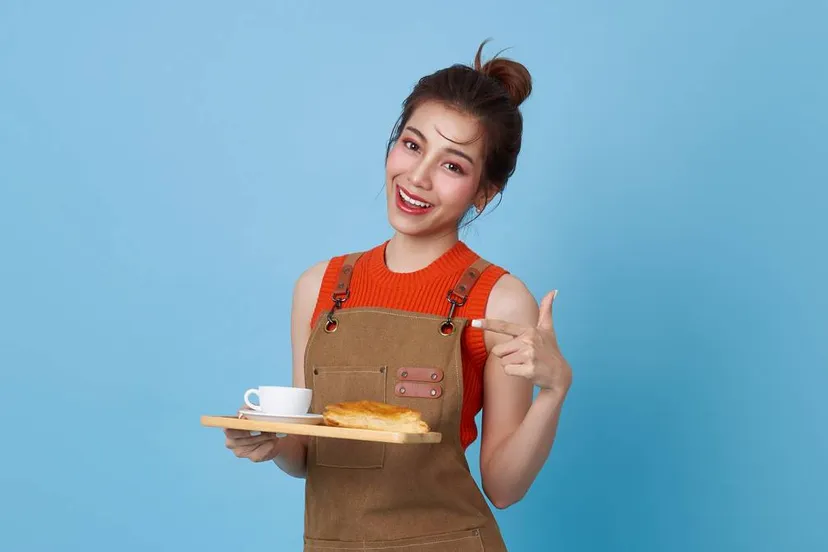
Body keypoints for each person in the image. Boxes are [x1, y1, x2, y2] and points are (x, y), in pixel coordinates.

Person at [223, 40, 572, 551]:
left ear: (484, 192)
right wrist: (272, 441)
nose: (418, 177)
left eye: (453, 166)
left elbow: (503, 485)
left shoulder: (499, 300)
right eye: (412, 145)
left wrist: (554, 391)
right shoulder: (318, 288)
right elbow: (305, 453)